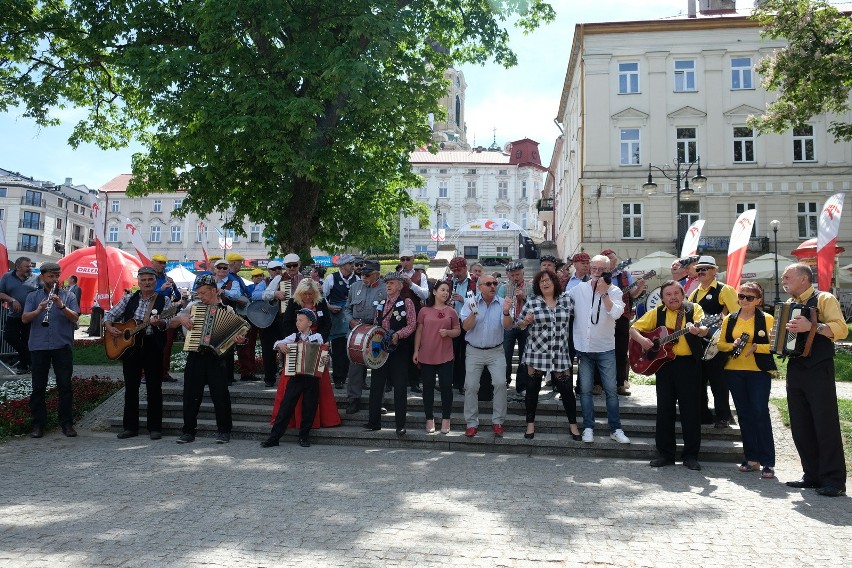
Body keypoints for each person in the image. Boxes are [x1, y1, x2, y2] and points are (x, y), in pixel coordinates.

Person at [781, 263, 848, 497]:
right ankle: (811, 475)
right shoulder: (789, 305)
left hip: (819, 368)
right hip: (796, 367)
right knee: (801, 425)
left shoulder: (824, 299)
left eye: (787, 277)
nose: (783, 281)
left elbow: (841, 330)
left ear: (803, 279)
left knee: (825, 423)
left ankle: (834, 480)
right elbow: (787, 338)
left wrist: (813, 327)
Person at [630, 280, 708, 471]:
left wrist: (698, 331)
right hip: (664, 366)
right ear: (662, 298)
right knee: (665, 410)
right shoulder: (657, 312)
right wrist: (644, 340)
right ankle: (665, 454)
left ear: (683, 294)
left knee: (691, 411)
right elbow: (633, 329)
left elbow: (705, 327)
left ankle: (690, 456)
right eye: (668, 294)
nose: (673, 297)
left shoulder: (693, 309)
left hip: (689, 366)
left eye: (676, 293)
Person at [170, 274, 247, 444]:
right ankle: (188, 431)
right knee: (190, 395)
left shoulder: (228, 310)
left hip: (216, 358)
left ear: (214, 291)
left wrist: (239, 341)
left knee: (221, 395)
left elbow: (236, 335)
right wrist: (181, 318)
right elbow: (171, 323)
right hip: (195, 356)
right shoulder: (192, 306)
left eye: (204, 293)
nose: (201, 296)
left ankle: (224, 431)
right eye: (199, 293)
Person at [716, 281, 777, 480]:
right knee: (743, 414)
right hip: (733, 370)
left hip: (758, 371)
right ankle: (751, 458)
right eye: (741, 296)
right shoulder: (730, 319)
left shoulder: (767, 319)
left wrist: (757, 348)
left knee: (760, 412)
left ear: (758, 300)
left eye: (749, 297)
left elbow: (776, 345)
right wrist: (731, 345)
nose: (743, 300)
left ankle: (768, 461)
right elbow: (720, 344)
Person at [104, 267, 173, 440]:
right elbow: (110, 313)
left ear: (155, 281)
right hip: (130, 349)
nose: (147, 283)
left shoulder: (164, 300)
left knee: (154, 388)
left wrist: (159, 323)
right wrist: (109, 326)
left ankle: (155, 428)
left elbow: (169, 322)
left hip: (152, 346)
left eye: (150, 279)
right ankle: (130, 427)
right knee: (131, 388)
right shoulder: (129, 298)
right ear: (138, 282)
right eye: (143, 280)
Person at [569, 255, 631, 444]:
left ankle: (615, 429)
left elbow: (616, 313)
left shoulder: (615, 291)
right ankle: (588, 427)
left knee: (611, 391)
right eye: (593, 268)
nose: (596, 272)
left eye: (600, 270)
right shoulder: (578, 289)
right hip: (584, 349)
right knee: (586, 390)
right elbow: (560, 303)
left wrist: (604, 294)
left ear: (608, 271)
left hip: (605, 349)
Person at [510, 269, 578, 440]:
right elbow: (518, 325)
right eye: (541, 282)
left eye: (548, 280)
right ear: (537, 286)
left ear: (555, 282)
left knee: (567, 391)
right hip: (536, 351)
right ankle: (530, 424)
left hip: (559, 351)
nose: (545, 283)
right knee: (533, 390)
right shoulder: (532, 301)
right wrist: (525, 322)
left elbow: (579, 319)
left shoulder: (567, 300)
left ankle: (573, 425)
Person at [21, 262, 80, 438]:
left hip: (62, 346)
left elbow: (75, 317)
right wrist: (39, 310)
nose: (54, 279)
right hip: (39, 346)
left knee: (65, 386)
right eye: (50, 276)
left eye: (57, 276)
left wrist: (61, 306)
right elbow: (24, 318)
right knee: (38, 387)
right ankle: (38, 425)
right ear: (43, 277)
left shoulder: (68, 296)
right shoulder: (33, 296)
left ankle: (67, 424)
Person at [262, 309, 331, 448]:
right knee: (286, 406)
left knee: (309, 407)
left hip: (312, 377)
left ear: (310, 323)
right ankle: (274, 437)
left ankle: (304, 436)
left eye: (301, 320)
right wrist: (280, 345)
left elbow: (323, 358)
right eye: (297, 320)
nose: (297, 323)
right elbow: (276, 343)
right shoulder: (293, 337)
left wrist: (326, 359)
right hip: (296, 377)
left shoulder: (317, 337)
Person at [688, 255, 738, 428]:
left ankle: (724, 416)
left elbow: (736, 316)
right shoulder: (693, 294)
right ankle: (704, 415)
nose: (701, 272)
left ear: (715, 271)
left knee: (719, 382)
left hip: (718, 344)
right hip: (699, 345)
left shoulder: (725, 290)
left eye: (705, 269)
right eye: (698, 269)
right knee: (698, 381)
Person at [363, 272, 416, 435]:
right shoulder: (380, 302)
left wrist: (398, 335)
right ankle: (374, 422)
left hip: (399, 349)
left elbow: (412, 324)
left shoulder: (407, 302)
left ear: (400, 285)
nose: (388, 285)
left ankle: (400, 425)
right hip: (381, 348)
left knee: (400, 387)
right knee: (376, 386)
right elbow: (374, 324)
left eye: (392, 283)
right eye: (387, 283)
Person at [460, 274, 507, 438]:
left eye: (495, 283)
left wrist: (507, 312)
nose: (493, 286)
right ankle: (472, 423)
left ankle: (498, 421)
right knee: (471, 386)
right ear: (480, 287)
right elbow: (465, 328)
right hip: (474, 351)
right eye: (488, 284)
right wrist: (474, 312)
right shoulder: (469, 303)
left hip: (496, 351)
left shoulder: (502, 304)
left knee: (501, 383)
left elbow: (508, 327)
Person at [413, 280, 460, 434]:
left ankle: (446, 419)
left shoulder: (451, 311)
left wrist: (449, 333)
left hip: (445, 354)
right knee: (427, 388)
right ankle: (429, 418)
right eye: (442, 290)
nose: (446, 293)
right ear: (434, 292)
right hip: (426, 354)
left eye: (448, 290)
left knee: (446, 387)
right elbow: (419, 331)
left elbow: (458, 330)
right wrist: (416, 351)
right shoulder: (424, 311)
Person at [342, 260, 386, 414]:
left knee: (377, 366)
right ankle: (353, 400)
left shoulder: (385, 288)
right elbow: (346, 309)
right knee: (355, 366)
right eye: (362, 274)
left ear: (377, 275)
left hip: (376, 332)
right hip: (357, 330)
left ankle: (377, 402)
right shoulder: (354, 287)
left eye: (367, 275)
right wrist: (351, 321)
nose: (364, 278)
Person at [603, 248, 644, 396]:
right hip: (602, 317)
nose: (611, 261)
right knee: (600, 349)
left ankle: (621, 383)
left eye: (613, 258)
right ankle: (598, 383)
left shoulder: (625, 275)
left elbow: (632, 294)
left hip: (622, 316)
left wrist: (639, 287)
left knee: (621, 350)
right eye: (607, 258)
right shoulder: (598, 275)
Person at [323, 254, 359, 389]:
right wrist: (330, 307)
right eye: (350, 263)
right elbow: (323, 297)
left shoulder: (357, 279)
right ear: (343, 265)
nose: (352, 266)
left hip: (352, 318)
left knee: (351, 349)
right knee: (338, 349)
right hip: (337, 318)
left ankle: (352, 378)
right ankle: (338, 379)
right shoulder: (331, 278)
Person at [497, 260, 531, 395]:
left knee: (524, 356)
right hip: (509, 325)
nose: (515, 278)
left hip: (525, 325)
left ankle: (522, 386)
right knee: (505, 354)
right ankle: (504, 381)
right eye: (512, 275)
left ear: (523, 272)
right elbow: (498, 305)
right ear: (507, 275)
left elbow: (536, 305)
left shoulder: (531, 286)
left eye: (518, 274)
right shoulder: (503, 287)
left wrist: (525, 297)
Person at [0, 257, 38, 372]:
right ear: (17, 267)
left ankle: (23, 366)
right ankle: (30, 360)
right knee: (9, 337)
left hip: (30, 316)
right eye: (27, 266)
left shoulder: (36, 278)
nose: (30, 268)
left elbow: (43, 293)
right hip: (14, 315)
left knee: (27, 340)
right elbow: (0, 293)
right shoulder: (7, 277)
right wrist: (12, 300)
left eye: (30, 266)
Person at [399, 250, 428, 394]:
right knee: (400, 348)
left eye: (408, 259)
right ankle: (399, 380)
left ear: (413, 260)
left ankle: (415, 381)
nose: (405, 262)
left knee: (414, 347)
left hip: (415, 315)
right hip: (399, 315)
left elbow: (425, 294)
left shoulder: (420, 275)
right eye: (403, 260)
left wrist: (411, 284)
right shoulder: (397, 275)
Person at [447, 256, 477, 393]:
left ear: (465, 268)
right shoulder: (450, 282)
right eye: (454, 271)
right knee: (451, 353)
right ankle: (453, 382)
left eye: (458, 270)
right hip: (452, 323)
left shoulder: (475, 282)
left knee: (465, 354)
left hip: (467, 322)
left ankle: (463, 383)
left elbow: (477, 304)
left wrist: (462, 299)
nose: (456, 274)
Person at [152, 253, 182, 383]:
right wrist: (161, 289)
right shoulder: (149, 277)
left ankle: (164, 373)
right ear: (153, 263)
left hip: (167, 313)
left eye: (164, 263)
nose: (162, 265)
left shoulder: (167, 278)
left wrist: (174, 286)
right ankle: (146, 373)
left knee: (167, 344)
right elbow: (146, 294)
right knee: (150, 344)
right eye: (159, 262)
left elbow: (178, 296)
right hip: (151, 314)